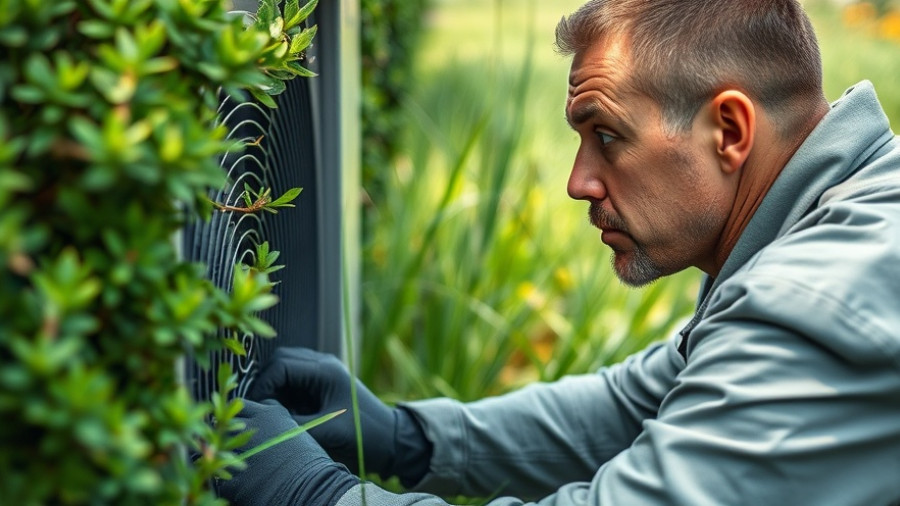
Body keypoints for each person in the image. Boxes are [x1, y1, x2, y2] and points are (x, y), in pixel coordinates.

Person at [217, 0, 900, 504]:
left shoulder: (817, 300)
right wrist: (407, 438)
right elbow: (636, 404)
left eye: (607, 135)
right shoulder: (825, 223)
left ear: (728, 129)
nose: (579, 182)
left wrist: (316, 496)